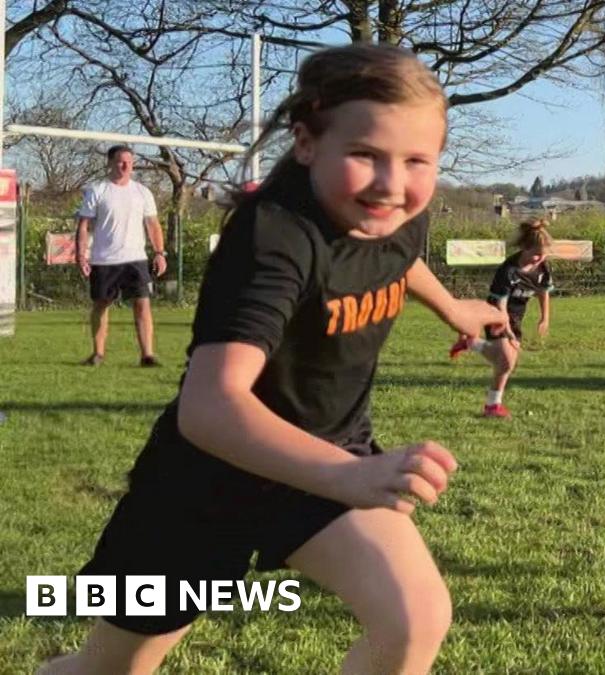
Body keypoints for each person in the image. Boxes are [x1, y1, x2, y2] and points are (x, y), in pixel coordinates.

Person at [39, 44, 505, 675]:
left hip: (329, 458)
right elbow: (209, 407)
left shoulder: (399, 217)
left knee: (414, 618)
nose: (393, 185)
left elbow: (393, 255)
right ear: (307, 141)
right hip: (207, 481)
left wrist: (453, 307)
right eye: (365, 154)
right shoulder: (274, 238)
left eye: (417, 160)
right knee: (111, 671)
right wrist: (347, 478)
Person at [449, 219, 554, 418]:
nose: (540, 258)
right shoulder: (508, 271)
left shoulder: (542, 269)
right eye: (536, 253)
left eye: (544, 253)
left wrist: (544, 318)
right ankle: (492, 406)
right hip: (496, 314)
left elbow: (543, 292)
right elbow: (501, 306)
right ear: (524, 247)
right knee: (506, 361)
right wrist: (508, 332)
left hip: (516, 318)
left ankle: (471, 343)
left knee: (505, 361)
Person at [76, 145, 168, 367]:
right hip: (104, 259)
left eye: (129, 161)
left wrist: (159, 253)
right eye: (120, 161)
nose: (126, 166)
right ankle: (97, 353)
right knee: (102, 304)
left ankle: (147, 355)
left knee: (142, 303)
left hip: (135, 259)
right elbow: (84, 225)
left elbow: (153, 225)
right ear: (110, 163)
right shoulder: (97, 190)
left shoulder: (142, 192)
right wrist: (81, 255)